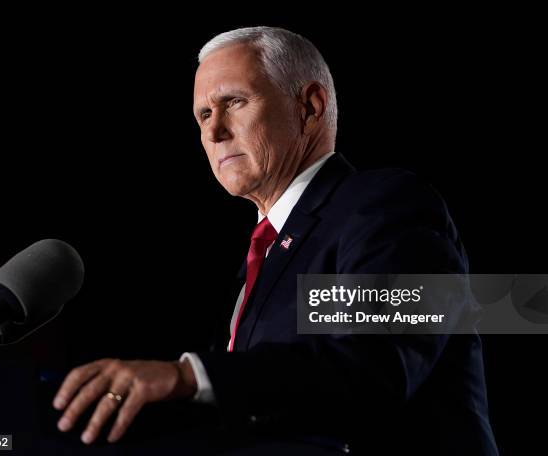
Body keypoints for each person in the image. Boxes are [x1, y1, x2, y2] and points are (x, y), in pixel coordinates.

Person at [53, 27, 498, 454]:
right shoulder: (259, 262)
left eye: (234, 102)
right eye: (204, 115)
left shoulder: (385, 204)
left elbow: (375, 362)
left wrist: (190, 376)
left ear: (309, 106)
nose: (213, 131)